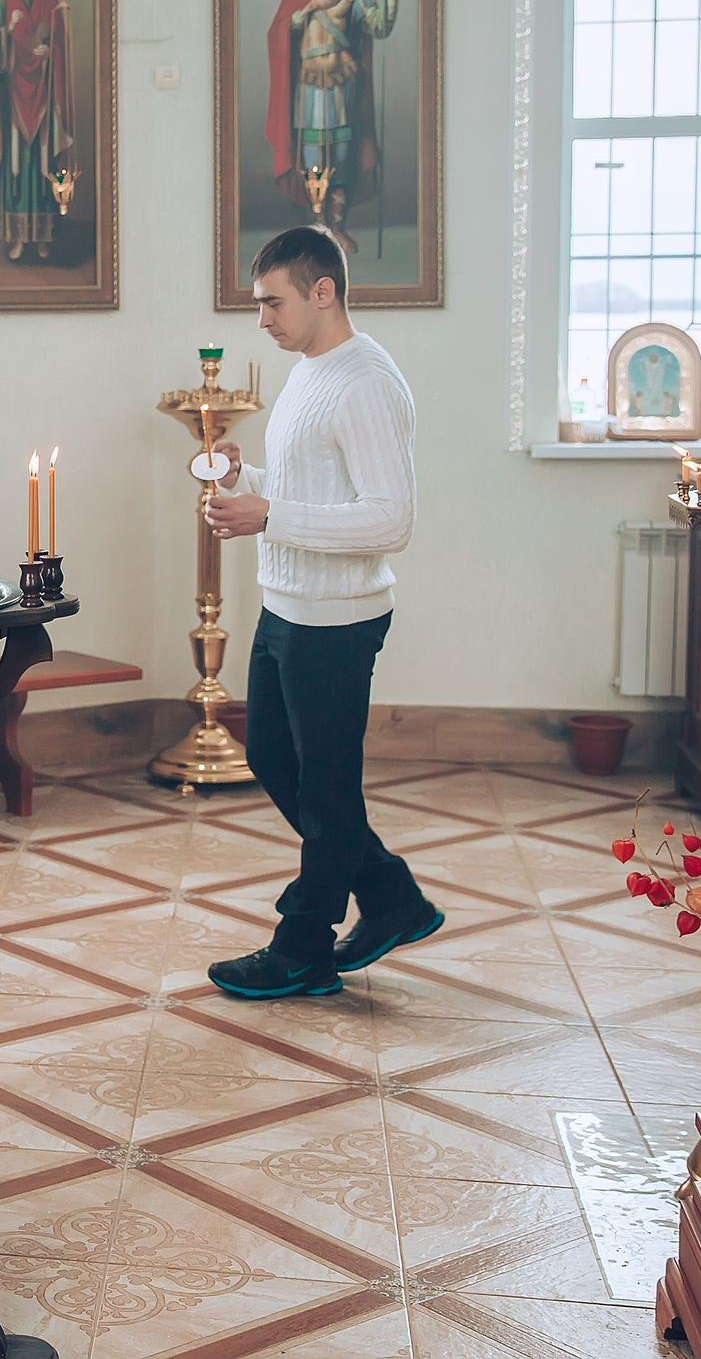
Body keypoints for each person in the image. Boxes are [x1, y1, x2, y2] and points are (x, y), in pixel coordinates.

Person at [201, 225, 439, 999]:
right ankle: (393, 896)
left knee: (328, 787)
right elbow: (316, 484)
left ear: (322, 291)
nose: (261, 318)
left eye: (272, 301)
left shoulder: (367, 380)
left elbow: (389, 520)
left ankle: (303, 943)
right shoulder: (310, 369)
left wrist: (266, 515)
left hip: (338, 617)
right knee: (274, 759)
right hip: (290, 606)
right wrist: (252, 477)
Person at [265, 0, 396, 250]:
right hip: (307, 87)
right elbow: (281, 31)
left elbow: (379, 28)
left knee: (339, 153)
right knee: (312, 154)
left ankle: (337, 226)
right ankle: (317, 226)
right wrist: (306, 9)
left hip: (342, 84)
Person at [0, 0, 73, 263]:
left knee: (41, 164)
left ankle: (44, 236)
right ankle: (19, 238)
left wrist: (51, 54)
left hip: (43, 95)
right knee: (17, 169)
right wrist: (7, 29)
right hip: (14, 95)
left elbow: (60, 44)